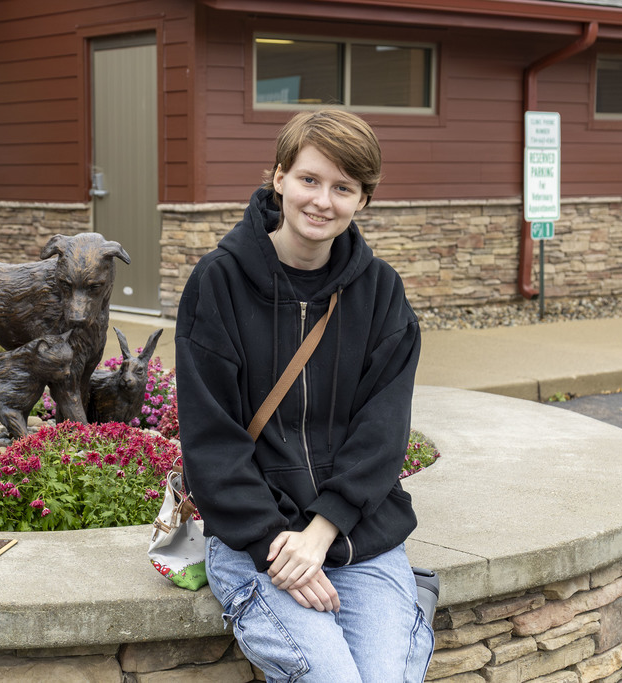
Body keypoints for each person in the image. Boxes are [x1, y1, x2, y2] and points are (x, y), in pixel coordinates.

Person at [175, 109, 434, 682]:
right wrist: (281, 545)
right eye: (309, 180)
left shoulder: (382, 292)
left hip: (359, 537)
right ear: (279, 178)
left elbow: (383, 432)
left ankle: (404, 616)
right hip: (255, 543)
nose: (322, 200)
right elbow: (211, 438)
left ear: (363, 200)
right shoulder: (217, 283)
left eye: (343, 188)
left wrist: (322, 531)